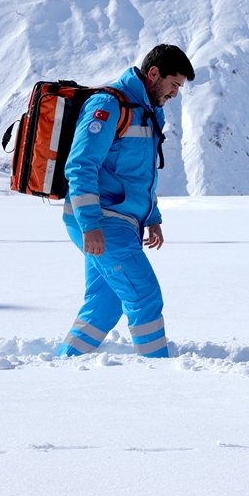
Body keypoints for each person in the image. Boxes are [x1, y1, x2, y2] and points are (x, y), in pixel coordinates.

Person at [56, 44, 194, 358]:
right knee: (144, 296)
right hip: (102, 221)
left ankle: (65, 363)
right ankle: (158, 375)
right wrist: (90, 224)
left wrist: (152, 217)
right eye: (173, 85)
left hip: (120, 221)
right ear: (154, 74)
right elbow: (81, 165)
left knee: (104, 304)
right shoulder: (108, 105)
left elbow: (138, 174)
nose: (175, 94)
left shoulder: (147, 111)